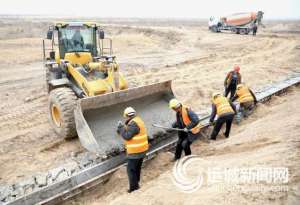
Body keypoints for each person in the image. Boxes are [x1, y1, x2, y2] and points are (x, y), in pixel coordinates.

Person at [117, 107, 149, 193]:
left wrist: (121, 128)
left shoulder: (133, 123)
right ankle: (136, 183)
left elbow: (127, 136)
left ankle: (134, 188)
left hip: (136, 151)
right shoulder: (138, 120)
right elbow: (131, 132)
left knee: (130, 169)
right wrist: (122, 128)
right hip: (142, 149)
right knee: (137, 167)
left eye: (125, 116)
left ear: (127, 116)